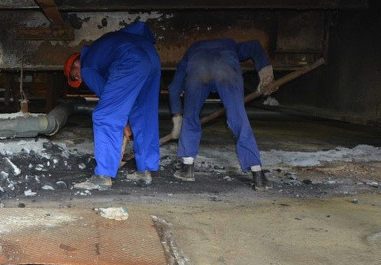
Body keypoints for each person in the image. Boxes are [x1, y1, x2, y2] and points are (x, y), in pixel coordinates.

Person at [167, 38, 277, 190]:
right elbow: (254, 46)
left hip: (198, 66)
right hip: (225, 66)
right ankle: (258, 175)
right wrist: (266, 77)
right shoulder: (231, 45)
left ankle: (187, 168)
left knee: (190, 116)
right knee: (239, 118)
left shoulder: (191, 51)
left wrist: (177, 119)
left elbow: (174, 89)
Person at [64, 20, 162, 190]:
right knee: (144, 113)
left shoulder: (87, 67)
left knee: (104, 115)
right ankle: (145, 170)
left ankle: (103, 175)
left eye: (74, 76)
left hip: (131, 59)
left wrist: (123, 123)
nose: (79, 80)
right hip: (151, 57)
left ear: (76, 64)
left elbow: (108, 100)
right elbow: (141, 26)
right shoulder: (106, 45)